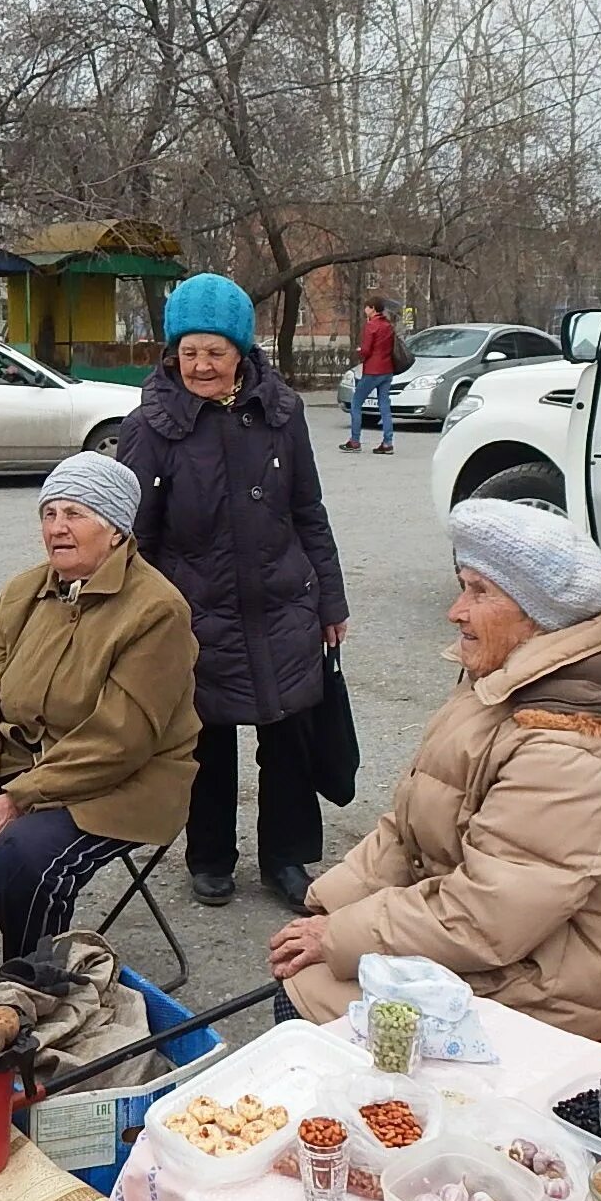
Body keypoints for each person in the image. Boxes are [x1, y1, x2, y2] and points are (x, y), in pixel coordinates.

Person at [269, 500, 601, 1035]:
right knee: (301, 966)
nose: (455, 611)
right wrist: (328, 906)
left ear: (535, 615)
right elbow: (410, 826)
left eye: (479, 592)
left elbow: (490, 917)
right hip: (503, 942)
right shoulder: (504, 682)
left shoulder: (568, 752)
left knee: (304, 999)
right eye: (462, 585)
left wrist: (339, 937)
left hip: (551, 982)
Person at [0, 453, 200, 962]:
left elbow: (120, 741)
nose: (58, 529)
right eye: (49, 514)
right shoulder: (24, 590)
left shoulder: (157, 610)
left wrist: (13, 801)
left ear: (116, 530)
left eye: (75, 514)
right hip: (17, 765)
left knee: (22, 855)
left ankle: (31, 985)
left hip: (122, 783)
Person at [120, 273, 349, 911]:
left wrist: (330, 600)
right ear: (172, 352)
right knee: (207, 742)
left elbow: (309, 510)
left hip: (284, 603)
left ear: (242, 353)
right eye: (189, 352)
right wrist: (142, 622)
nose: (201, 365)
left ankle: (287, 857)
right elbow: (136, 536)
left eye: (216, 352)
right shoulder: (150, 425)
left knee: (290, 740)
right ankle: (211, 857)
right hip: (196, 612)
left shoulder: (284, 413)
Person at [343, 297, 397, 454]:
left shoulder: (371, 325)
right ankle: (387, 443)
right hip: (387, 370)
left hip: (373, 370)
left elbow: (366, 350)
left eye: (366, 307)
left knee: (356, 403)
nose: (365, 310)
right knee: (385, 406)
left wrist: (359, 352)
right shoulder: (388, 325)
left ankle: (354, 441)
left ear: (372, 308)